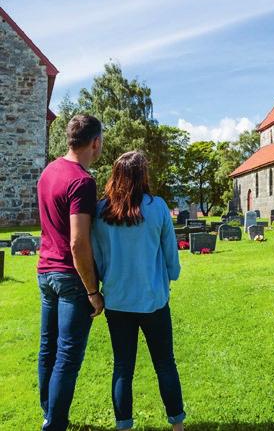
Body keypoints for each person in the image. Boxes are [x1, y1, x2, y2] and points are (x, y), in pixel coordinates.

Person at [91, 151, 185, 431]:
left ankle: (123, 426)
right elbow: (171, 254)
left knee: (122, 367)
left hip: (118, 300)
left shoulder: (101, 211)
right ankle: (177, 426)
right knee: (165, 364)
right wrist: (172, 275)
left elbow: (96, 256)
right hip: (153, 299)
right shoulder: (157, 207)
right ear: (142, 175)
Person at [37, 114, 104, 431]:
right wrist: (93, 291)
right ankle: (55, 424)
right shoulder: (82, 181)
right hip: (69, 276)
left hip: (45, 272)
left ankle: (48, 414)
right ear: (95, 142)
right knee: (66, 355)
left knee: (48, 348)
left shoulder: (49, 171)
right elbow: (78, 242)